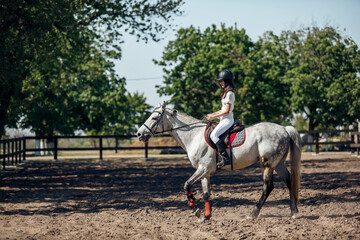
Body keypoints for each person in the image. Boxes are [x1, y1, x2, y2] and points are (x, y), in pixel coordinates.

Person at [206, 69, 236, 168]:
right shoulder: (225, 94)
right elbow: (221, 110)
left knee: (214, 135)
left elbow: (226, 111)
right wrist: (211, 114)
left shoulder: (230, 94)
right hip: (223, 120)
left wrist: (213, 116)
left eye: (221, 81)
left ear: (226, 81)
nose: (220, 83)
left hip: (228, 120)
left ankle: (225, 158)